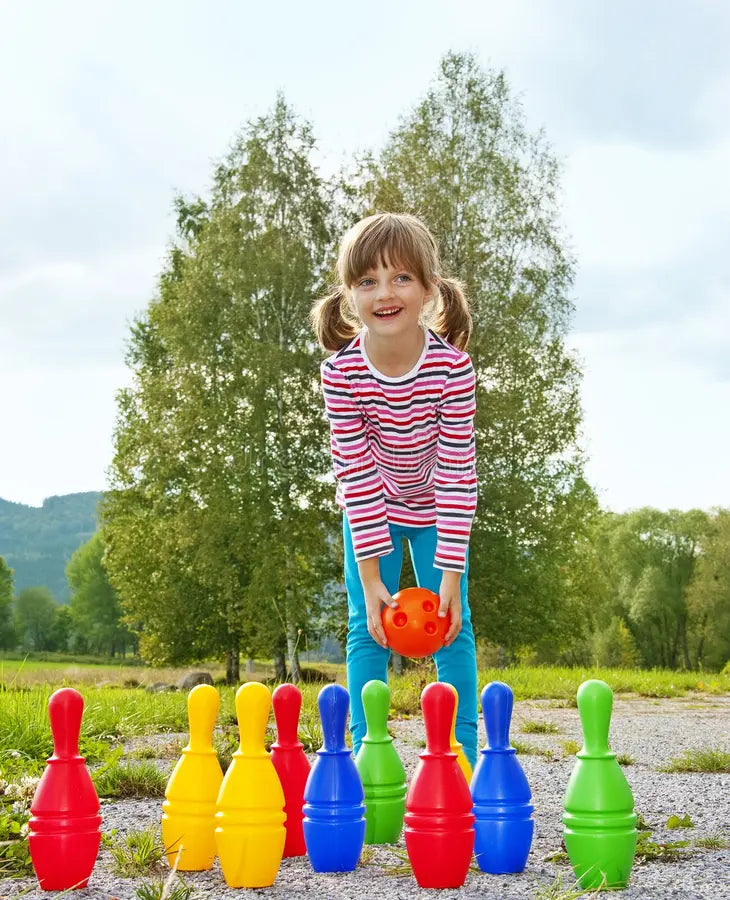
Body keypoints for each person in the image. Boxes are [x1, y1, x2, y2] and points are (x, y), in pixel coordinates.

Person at [310, 212, 479, 767]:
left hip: (438, 510)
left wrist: (450, 577)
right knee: (367, 627)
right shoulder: (341, 374)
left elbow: (457, 473)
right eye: (367, 281)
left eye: (401, 278)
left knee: (452, 627)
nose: (384, 293)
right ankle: (369, 754)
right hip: (371, 509)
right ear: (349, 295)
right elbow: (354, 475)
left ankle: (461, 757)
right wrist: (371, 576)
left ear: (429, 290)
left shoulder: (453, 370)